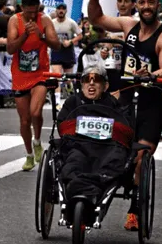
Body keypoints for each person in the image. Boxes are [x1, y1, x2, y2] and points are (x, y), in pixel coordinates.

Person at [88, 0, 162, 231]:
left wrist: (152, 74)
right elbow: (97, 19)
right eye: (142, 2)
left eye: (151, 2)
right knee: (104, 144)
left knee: (140, 155)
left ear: (158, 4)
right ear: (136, 5)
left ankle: (135, 208)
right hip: (124, 99)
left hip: (150, 102)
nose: (146, 7)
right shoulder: (128, 26)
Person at [57, 64, 134, 204]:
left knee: (114, 161)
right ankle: (79, 188)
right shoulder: (73, 102)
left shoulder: (114, 104)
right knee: (73, 162)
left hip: (107, 148)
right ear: (82, 84)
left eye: (96, 79)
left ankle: (93, 188)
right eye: (87, 79)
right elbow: (62, 126)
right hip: (78, 146)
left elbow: (125, 130)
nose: (91, 83)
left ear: (105, 86)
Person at [7, 0, 61, 171]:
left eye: (35, 11)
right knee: (24, 120)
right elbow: (10, 48)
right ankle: (29, 154)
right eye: (29, 12)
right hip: (21, 75)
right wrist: (24, 36)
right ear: (22, 8)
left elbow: (56, 45)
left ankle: (37, 141)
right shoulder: (15, 21)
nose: (32, 16)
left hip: (40, 74)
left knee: (36, 113)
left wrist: (41, 36)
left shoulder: (44, 20)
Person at [50, 3, 82, 102]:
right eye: (59, 9)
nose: (61, 11)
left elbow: (80, 35)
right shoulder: (52, 23)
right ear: (56, 10)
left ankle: (71, 98)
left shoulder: (71, 23)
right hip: (56, 51)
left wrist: (71, 41)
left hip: (68, 52)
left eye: (63, 9)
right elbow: (46, 35)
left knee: (69, 79)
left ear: (66, 11)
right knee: (57, 77)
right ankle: (57, 102)